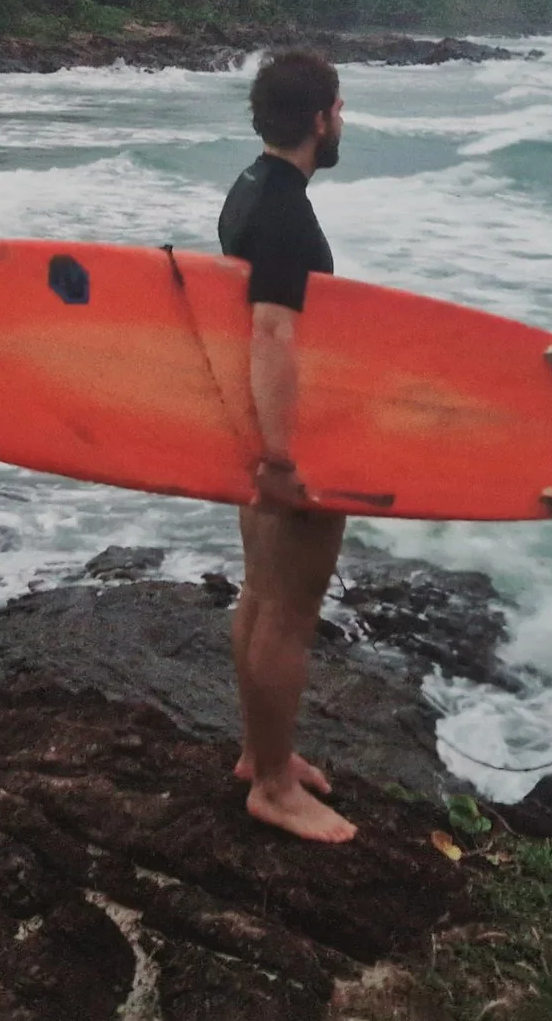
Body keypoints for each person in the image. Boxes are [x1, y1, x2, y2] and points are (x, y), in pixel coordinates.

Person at [217, 49, 356, 843]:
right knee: (287, 615)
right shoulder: (287, 215)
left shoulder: (251, 187)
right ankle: (272, 786)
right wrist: (280, 458)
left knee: (261, 597)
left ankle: (260, 754)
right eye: (339, 108)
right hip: (281, 438)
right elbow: (271, 331)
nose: (342, 121)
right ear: (319, 119)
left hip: (248, 422)